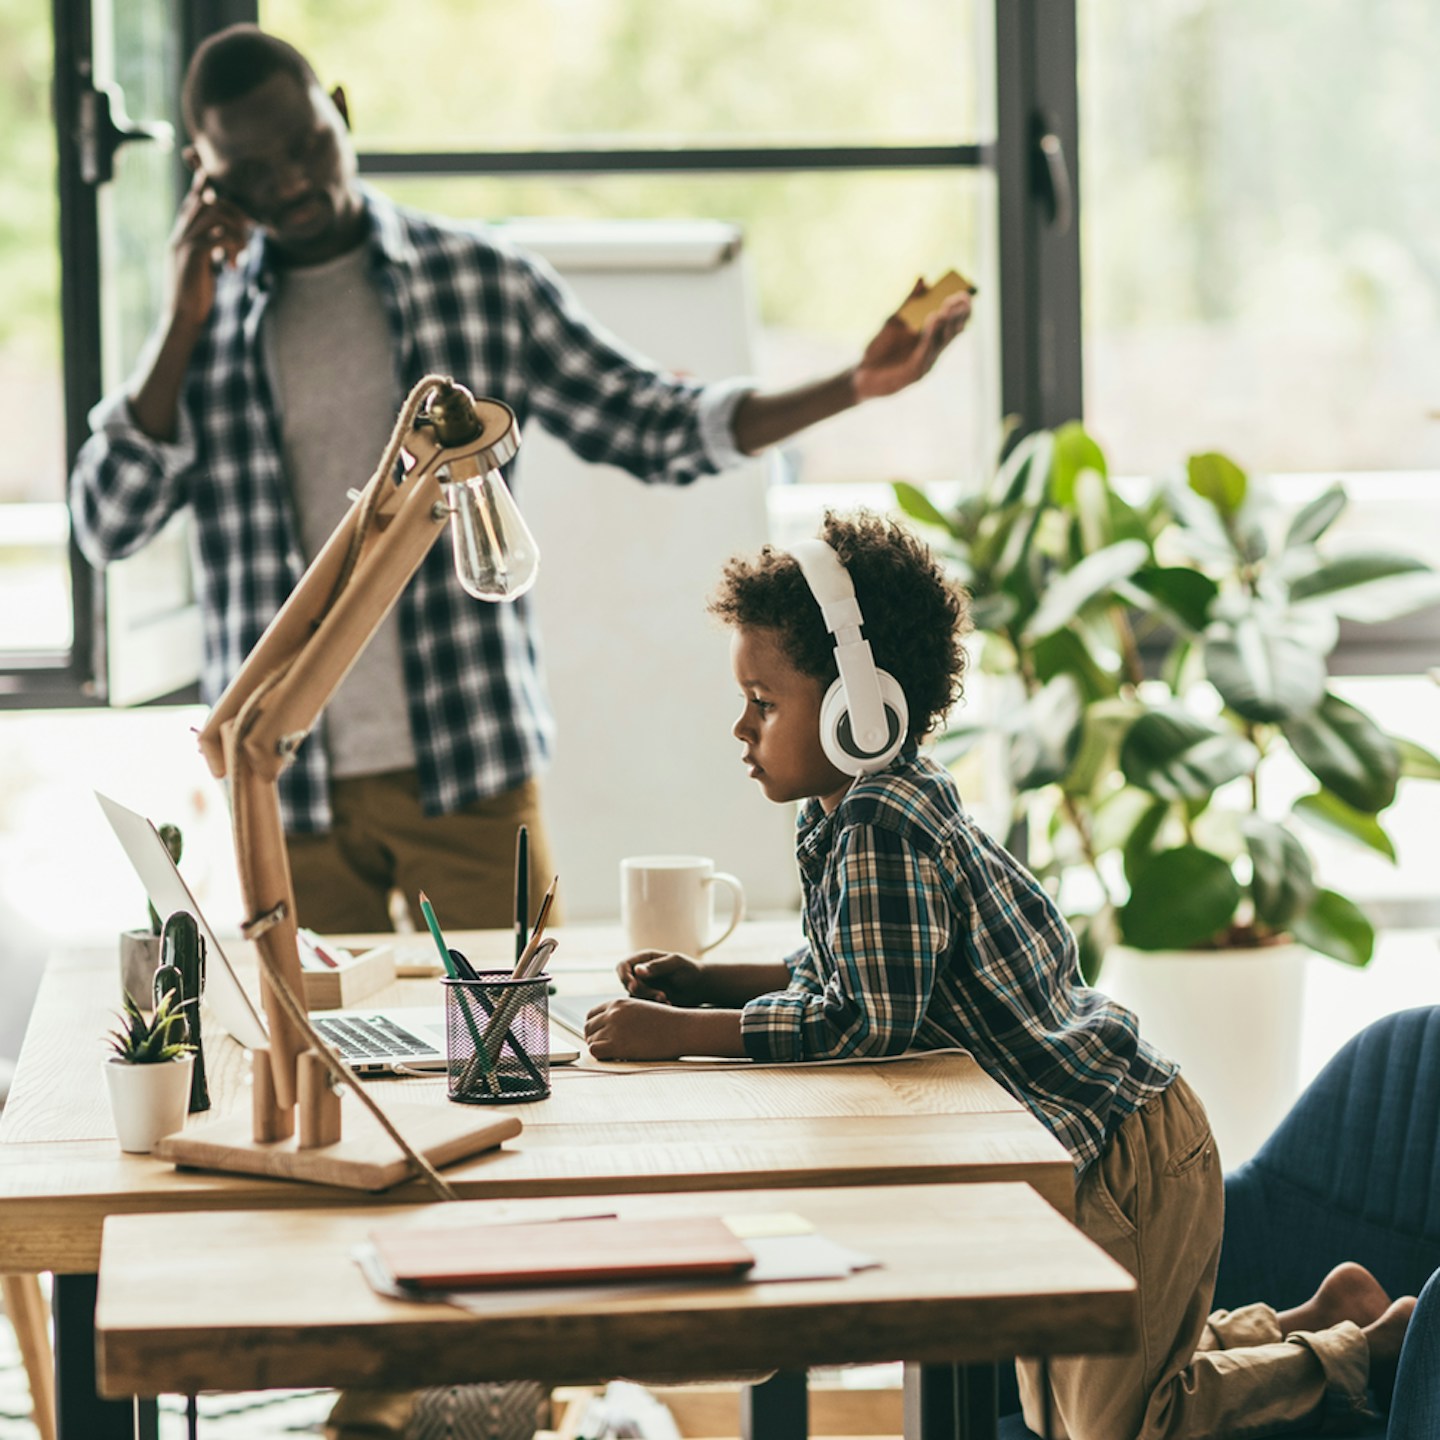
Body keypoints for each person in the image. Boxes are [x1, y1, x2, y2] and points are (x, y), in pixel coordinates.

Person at [68, 25, 971, 935]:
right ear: (205, 174)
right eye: (255, 169)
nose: (294, 182)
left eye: (306, 145)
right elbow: (107, 524)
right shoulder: (201, 332)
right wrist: (182, 323)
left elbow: (655, 422)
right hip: (283, 788)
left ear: (340, 114)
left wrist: (853, 384)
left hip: (467, 760)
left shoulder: (481, 284)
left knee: (513, 1050)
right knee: (321, 1055)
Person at [583, 510, 1417, 1439]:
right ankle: (1312, 1320)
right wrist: (710, 983)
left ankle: (1365, 1352)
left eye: (764, 702)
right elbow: (845, 968)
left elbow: (864, 1021)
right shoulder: (848, 811)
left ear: (861, 707)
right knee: (1073, 1407)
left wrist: (682, 1037)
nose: (740, 726)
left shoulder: (881, 826)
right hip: (1083, 1144)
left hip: (1116, 1153)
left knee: (1125, 1427)